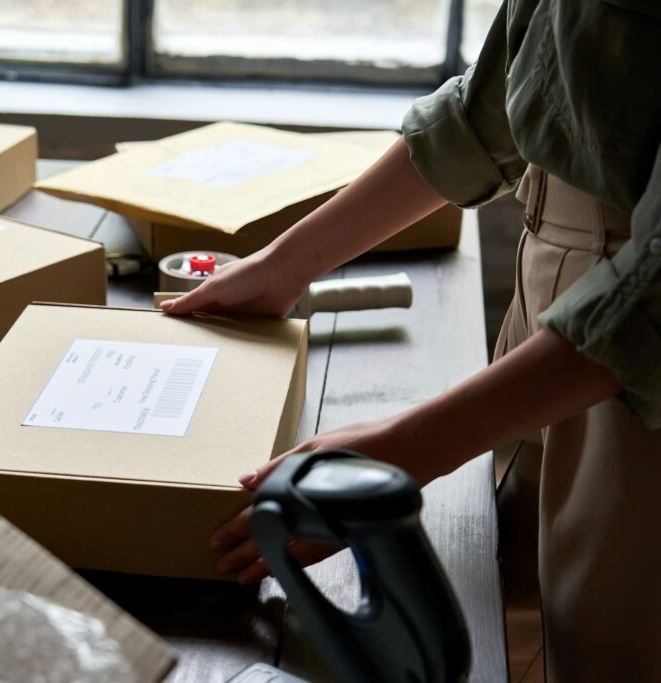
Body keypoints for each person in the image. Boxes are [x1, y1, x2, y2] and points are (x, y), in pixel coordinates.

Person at [161, 1, 661, 680]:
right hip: (551, 320)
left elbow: (649, 292)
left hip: (633, 371)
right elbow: (491, 109)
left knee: (603, 648)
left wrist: (402, 449)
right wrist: (282, 266)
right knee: (520, 616)